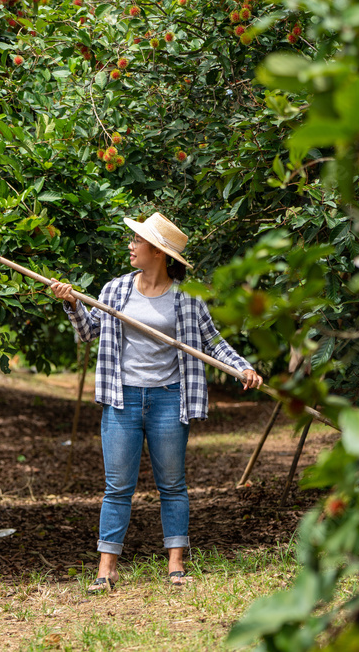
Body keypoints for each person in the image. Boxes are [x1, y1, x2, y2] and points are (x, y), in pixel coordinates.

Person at [49, 212, 262, 592]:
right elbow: (88, 333)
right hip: (122, 398)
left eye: (138, 241)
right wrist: (72, 305)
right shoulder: (115, 290)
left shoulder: (186, 299)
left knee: (173, 485)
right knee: (117, 487)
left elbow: (213, 342)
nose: (131, 245)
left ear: (159, 253)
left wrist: (243, 369)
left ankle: (176, 564)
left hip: (168, 398)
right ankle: (106, 568)